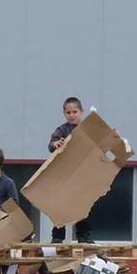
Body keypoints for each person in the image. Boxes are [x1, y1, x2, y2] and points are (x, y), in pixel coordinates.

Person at [47, 96, 93, 243]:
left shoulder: (87, 128)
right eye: (68, 112)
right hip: (65, 175)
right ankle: (57, 236)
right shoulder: (62, 129)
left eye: (75, 112)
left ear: (81, 112)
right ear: (64, 113)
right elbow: (51, 144)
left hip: (82, 174)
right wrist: (56, 144)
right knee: (61, 205)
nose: (72, 115)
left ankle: (83, 236)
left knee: (82, 206)